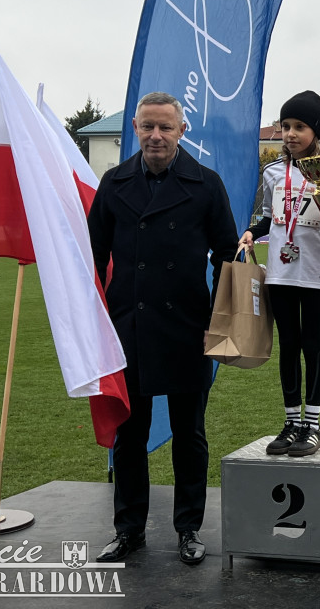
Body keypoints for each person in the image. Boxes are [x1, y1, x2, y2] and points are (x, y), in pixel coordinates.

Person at [88, 92, 237, 566]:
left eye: (165, 128)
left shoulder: (206, 184)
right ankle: (128, 528)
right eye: (148, 127)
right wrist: (92, 321)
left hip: (187, 328)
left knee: (188, 433)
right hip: (127, 328)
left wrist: (217, 319)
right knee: (128, 435)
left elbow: (228, 255)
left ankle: (189, 527)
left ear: (181, 130)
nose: (156, 136)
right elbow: (90, 258)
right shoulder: (113, 184)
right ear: (135, 127)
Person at [238, 91, 320, 457]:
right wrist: (254, 231)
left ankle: (313, 425)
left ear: (315, 130)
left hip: (314, 270)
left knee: (311, 343)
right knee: (287, 344)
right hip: (280, 272)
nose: (290, 133)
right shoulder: (272, 172)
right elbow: (270, 217)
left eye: (299, 126)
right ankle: (290, 422)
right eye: (285, 126)